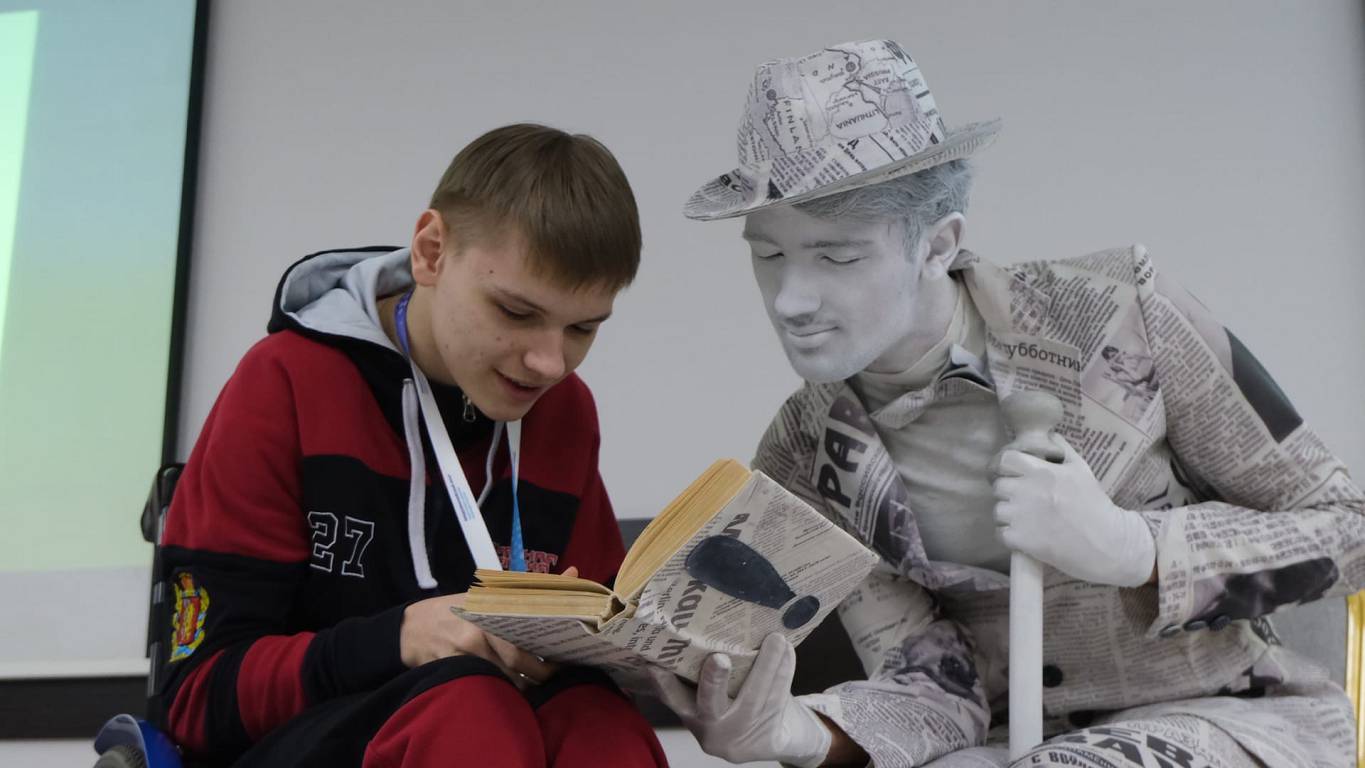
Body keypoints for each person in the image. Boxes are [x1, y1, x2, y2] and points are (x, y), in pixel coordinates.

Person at [649, 39, 1364, 767]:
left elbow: (1349, 529)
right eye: (768, 254)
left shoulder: (1125, 312)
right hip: (1008, 743)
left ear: (938, 245)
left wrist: (1135, 548)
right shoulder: (804, 453)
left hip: (1225, 715)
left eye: (837, 256)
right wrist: (796, 735)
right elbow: (932, 685)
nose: (790, 301)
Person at [154, 123, 668, 767]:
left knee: (604, 731)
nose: (549, 362)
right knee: (467, 712)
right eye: (516, 313)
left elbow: (596, 651)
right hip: (314, 741)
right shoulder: (285, 381)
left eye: (583, 329)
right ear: (431, 253)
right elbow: (196, 700)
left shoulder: (564, 410)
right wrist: (398, 640)